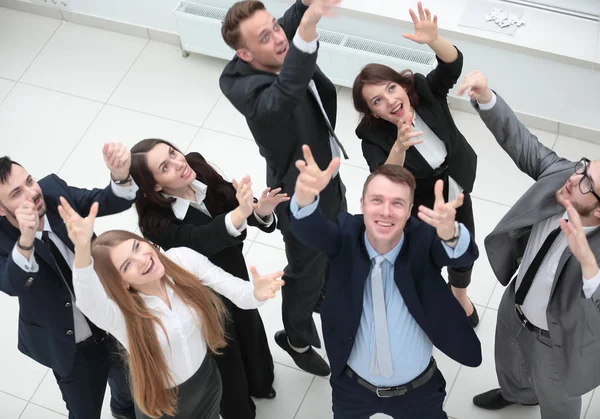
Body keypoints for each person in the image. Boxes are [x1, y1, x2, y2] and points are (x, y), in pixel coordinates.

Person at [289, 144, 482, 418]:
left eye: (397, 203)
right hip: (352, 388)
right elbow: (313, 232)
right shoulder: (345, 234)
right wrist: (305, 200)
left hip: (418, 391)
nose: (386, 212)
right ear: (363, 204)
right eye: (377, 200)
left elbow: (461, 258)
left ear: (410, 210)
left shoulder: (422, 240)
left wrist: (451, 233)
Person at [59, 198, 285, 419]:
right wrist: (81, 250)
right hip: (163, 402)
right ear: (122, 282)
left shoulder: (181, 260)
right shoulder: (120, 314)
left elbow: (239, 293)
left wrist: (255, 293)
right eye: (127, 265)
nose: (142, 260)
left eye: (137, 247)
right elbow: (88, 301)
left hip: (207, 379)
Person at [458, 71, 600, 419]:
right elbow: (522, 143)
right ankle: (518, 394)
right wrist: (487, 97)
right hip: (514, 306)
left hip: (557, 342)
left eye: (587, 181)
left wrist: (589, 267)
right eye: (584, 168)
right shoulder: (563, 179)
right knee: (509, 365)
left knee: (559, 406)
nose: (574, 176)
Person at [219, 0, 348, 376]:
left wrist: (305, 6)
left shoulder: (272, 42)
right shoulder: (247, 90)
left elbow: (289, 22)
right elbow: (285, 93)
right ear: (244, 53)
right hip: (298, 194)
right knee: (304, 273)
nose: (279, 37)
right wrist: (307, 30)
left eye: (275, 27)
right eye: (265, 36)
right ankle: (295, 337)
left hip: (325, 170)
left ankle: (324, 296)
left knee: (335, 238)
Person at [129, 138, 287, 419]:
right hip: (203, 291)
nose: (179, 163)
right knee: (224, 349)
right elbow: (199, 240)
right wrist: (240, 213)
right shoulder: (155, 221)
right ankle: (240, 411)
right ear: (154, 185)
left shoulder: (197, 165)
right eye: (165, 167)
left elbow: (231, 199)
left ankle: (262, 383)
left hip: (234, 269)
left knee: (249, 325)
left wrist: (259, 212)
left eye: (173, 153)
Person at [352, 2, 479, 327]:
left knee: (465, 247)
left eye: (391, 88)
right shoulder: (373, 136)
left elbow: (452, 66)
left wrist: (435, 40)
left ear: (403, 87)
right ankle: (428, 296)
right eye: (377, 101)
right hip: (420, 205)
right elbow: (383, 178)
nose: (390, 100)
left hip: (457, 187)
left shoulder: (424, 89)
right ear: (373, 113)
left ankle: (459, 294)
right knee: (423, 257)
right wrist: (399, 146)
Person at [0, 145, 137, 419]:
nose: (32, 194)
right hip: (70, 349)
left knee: (129, 389)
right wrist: (26, 242)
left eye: (29, 181)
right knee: (83, 412)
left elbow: (106, 201)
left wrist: (120, 176)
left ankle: (124, 411)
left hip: (112, 321)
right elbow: (11, 283)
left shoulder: (52, 191)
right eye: (17, 194)